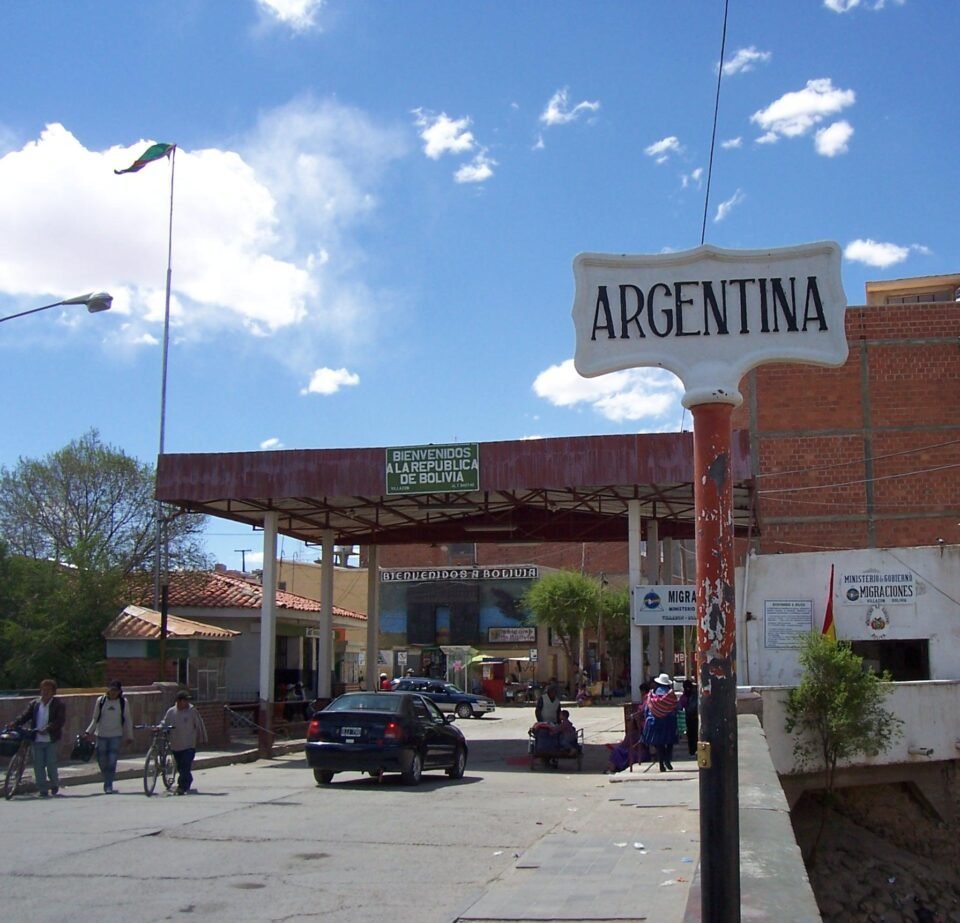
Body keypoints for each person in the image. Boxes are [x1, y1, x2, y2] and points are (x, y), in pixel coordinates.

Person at [14, 679, 66, 797]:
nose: (45, 692)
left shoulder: (58, 704)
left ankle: (54, 784)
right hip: (36, 739)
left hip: (50, 739)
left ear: (53, 692)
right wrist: (15, 723)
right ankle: (42, 789)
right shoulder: (35, 704)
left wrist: (48, 729)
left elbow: (60, 720)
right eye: (43, 689)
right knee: (38, 765)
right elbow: (25, 716)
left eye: (48, 690)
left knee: (51, 764)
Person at [85, 679, 134, 794]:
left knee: (112, 761)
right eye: (112, 690)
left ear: (119, 691)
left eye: (116, 690)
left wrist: (130, 735)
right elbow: (95, 718)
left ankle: (108, 784)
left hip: (115, 735)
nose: (113, 693)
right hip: (101, 734)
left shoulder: (123, 702)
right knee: (101, 759)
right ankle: (106, 777)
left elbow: (128, 719)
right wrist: (88, 732)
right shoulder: (101, 701)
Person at [162, 691, 207, 795]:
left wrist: (203, 738)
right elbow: (165, 722)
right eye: (184, 700)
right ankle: (188, 780)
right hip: (176, 745)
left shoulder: (192, 711)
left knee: (185, 765)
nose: (187, 702)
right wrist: (160, 727)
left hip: (189, 745)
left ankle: (182, 787)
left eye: (187, 700)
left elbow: (199, 724)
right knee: (181, 767)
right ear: (178, 701)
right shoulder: (171, 711)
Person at [640, 672, 679, 772]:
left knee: (658, 744)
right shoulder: (671, 694)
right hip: (669, 721)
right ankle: (667, 759)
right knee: (670, 742)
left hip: (655, 721)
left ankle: (661, 763)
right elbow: (676, 707)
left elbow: (647, 709)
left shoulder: (652, 695)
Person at [679, 679, 699, 757]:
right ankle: (694, 749)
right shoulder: (695, 694)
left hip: (689, 717)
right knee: (695, 734)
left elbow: (681, 706)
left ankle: (692, 751)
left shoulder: (686, 695)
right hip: (695, 717)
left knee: (691, 735)